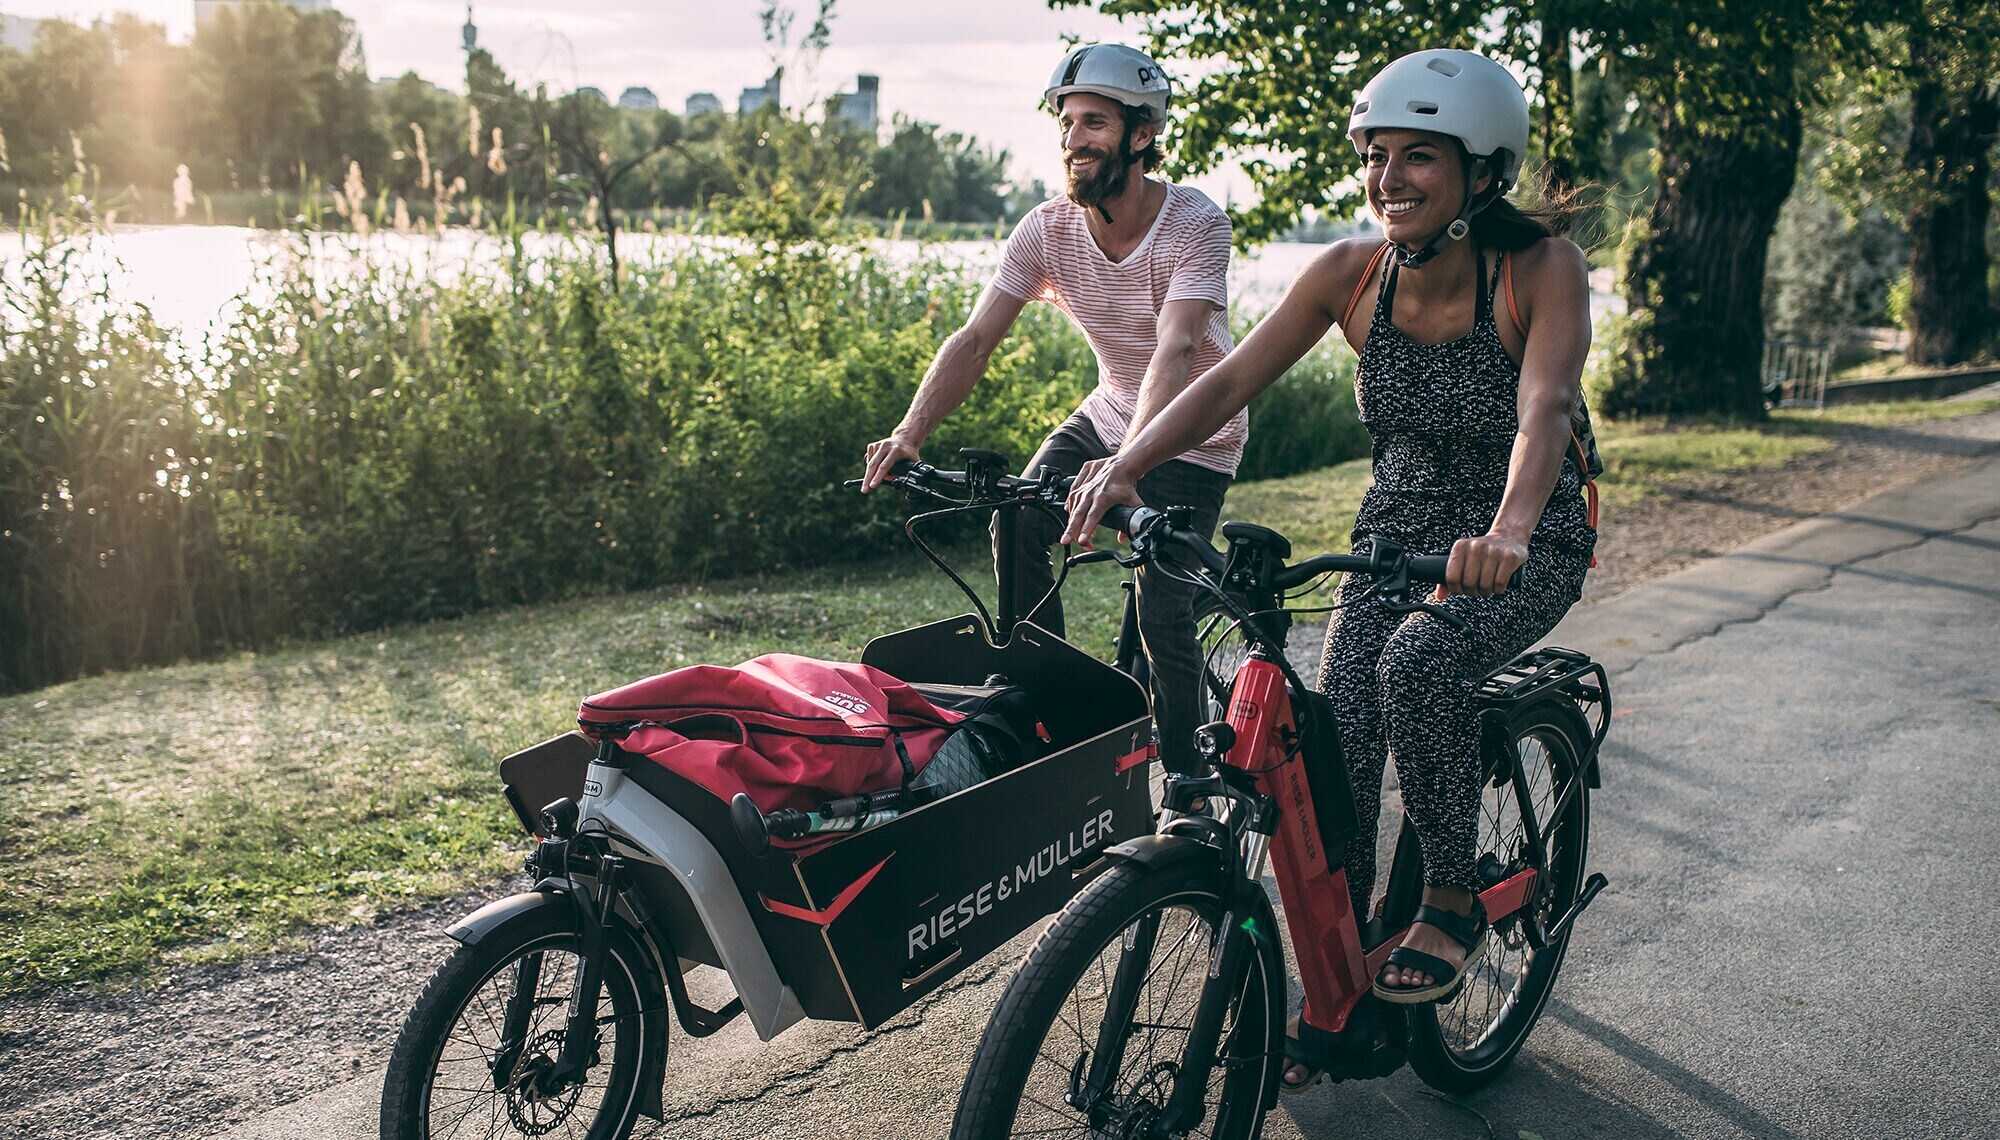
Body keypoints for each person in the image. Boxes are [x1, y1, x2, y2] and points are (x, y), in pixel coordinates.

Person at [1058, 48, 1598, 1087]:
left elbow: (1542, 410)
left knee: (1415, 671)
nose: (1386, 178)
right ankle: (1332, 991)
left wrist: (1513, 532)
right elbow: (1223, 384)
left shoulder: (1536, 270)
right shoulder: (1349, 273)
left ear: (1481, 172)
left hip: (1515, 535)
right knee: (1328, 752)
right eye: (1375, 155)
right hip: (1391, 532)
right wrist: (1123, 464)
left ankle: (1448, 896)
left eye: (1417, 159)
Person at [860, 43, 1243, 778]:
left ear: (1140, 134)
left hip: (1197, 429)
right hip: (1109, 409)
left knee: (1160, 610)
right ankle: (1054, 707)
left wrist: (1128, 467)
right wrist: (911, 432)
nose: (1074, 140)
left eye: (1093, 123)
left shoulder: (1195, 222)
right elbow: (974, 339)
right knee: (1018, 513)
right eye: (1067, 124)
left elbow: (1176, 346)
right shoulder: (1046, 229)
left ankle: (1189, 789)